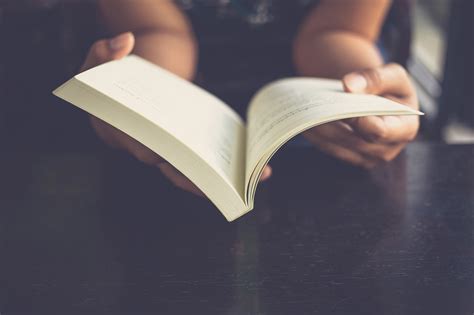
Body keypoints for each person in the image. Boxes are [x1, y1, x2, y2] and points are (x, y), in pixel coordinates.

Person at [81, 0, 420, 195]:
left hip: (323, 147)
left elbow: (339, 31)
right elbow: (157, 31)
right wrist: (140, 98)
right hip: (169, 154)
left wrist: (367, 96)